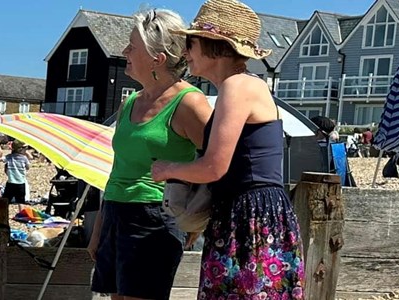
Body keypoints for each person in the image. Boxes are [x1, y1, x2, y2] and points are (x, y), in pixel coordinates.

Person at [154, 0, 305, 297]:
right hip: (248, 213)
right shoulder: (241, 85)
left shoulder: (238, 86)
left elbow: (213, 167)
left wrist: (168, 169)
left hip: (250, 216)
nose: (185, 52)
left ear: (216, 45)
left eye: (191, 43)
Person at [87, 8, 212, 300]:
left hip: (155, 215)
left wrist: (199, 216)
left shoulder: (189, 103)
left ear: (158, 58)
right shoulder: (130, 102)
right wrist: (99, 228)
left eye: (132, 46)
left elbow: (217, 162)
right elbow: (117, 169)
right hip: (116, 211)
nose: (125, 51)